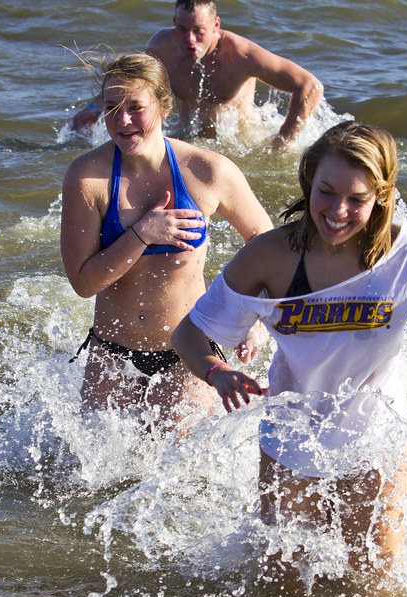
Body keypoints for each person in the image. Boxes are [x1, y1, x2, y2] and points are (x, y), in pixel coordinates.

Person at [171, 121, 407, 590]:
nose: (337, 211)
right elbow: (189, 334)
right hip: (292, 434)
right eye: (327, 192)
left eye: (357, 199)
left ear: (380, 197)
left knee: (375, 588)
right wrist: (217, 371)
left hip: (377, 435)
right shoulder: (270, 256)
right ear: (309, 180)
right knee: (280, 587)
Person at [61, 53, 273, 430]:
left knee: (184, 482)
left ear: (163, 106)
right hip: (112, 353)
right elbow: (83, 283)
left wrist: (253, 314)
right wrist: (142, 234)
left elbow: (267, 243)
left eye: (135, 107)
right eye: (111, 107)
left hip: (189, 355)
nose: (122, 120)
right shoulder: (87, 178)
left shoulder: (207, 171)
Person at [71, 0, 323, 150]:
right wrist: (94, 107)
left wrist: (281, 143)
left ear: (216, 26)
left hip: (239, 144)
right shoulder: (162, 47)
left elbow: (310, 86)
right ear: (173, 22)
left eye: (198, 31)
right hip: (186, 139)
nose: (189, 40)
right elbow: (130, 81)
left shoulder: (242, 56)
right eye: (182, 29)